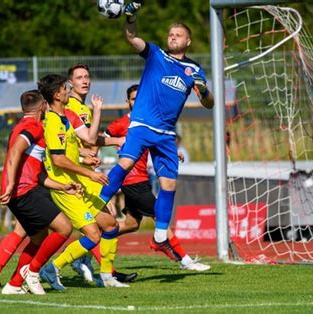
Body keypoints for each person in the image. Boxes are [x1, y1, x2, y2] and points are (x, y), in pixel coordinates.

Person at [98, 5, 214, 254]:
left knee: (169, 184)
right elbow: (132, 38)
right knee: (126, 163)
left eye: (178, 34)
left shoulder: (193, 70)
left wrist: (203, 90)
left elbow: (209, 104)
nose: (172, 37)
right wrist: (130, 16)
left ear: (188, 40)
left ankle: (161, 236)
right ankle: (95, 204)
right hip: (141, 124)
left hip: (166, 133)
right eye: (170, 34)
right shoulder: (156, 54)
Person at [76, 84, 210, 277]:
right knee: (159, 218)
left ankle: (87, 243)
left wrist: (173, 153)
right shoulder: (122, 123)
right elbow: (94, 139)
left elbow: (158, 145)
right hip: (131, 181)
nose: (136, 102)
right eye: (132, 99)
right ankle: (185, 260)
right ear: (127, 102)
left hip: (142, 179)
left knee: (131, 224)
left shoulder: (150, 122)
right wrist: (100, 151)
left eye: (139, 98)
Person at [38, 74, 129, 289]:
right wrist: (89, 173)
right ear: (56, 94)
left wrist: (82, 156)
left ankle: (107, 276)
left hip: (78, 181)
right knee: (93, 234)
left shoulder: (64, 117)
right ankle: (52, 268)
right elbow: (58, 159)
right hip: (65, 187)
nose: (68, 89)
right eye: (64, 87)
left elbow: (71, 147)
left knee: (110, 224)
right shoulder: (52, 122)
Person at [0, 90, 80, 295]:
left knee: (39, 236)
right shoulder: (33, 126)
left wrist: (62, 186)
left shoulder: (19, 126)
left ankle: (14, 284)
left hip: (22, 189)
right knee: (64, 228)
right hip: (23, 190)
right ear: (43, 105)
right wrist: (11, 184)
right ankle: (33, 272)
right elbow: (16, 151)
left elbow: (35, 171)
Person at [64, 63, 137, 284]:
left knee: (105, 223)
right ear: (70, 83)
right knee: (103, 224)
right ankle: (51, 268)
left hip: (87, 173)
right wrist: (83, 155)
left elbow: (90, 139)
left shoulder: (84, 109)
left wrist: (115, 141)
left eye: (87, 76)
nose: (84, 80)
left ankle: (98, 269)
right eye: (79, 77)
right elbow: (73, 142)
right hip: (73, 175)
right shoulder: (70, 107)